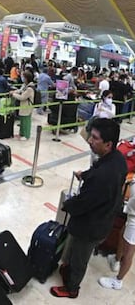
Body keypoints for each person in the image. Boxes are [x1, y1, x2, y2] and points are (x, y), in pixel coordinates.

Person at [50, 118, 127, 298]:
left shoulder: (103, 176)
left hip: (91, 226)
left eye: (94, 138)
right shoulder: (116, 159)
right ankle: (68, 272)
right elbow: (98, 174)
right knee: (75, 251)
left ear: (108, 144)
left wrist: (67, 205)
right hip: (104, 218)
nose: (90, 141)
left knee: (79, 258)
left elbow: (83, 203)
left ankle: (71, 288)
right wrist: (85, 175)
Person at [98, 174, 135, 290]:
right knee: (122, 234)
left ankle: (118, 281)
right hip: (131, 214)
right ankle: (116, 259)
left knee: (129, 250)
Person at [10, 70, 35, 140]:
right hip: (23, 106)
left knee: (26, 121)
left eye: (23, 77)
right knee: (22, 120)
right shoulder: (25, 85)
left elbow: (22, 97)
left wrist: (13, 94)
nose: (22, 78)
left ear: (27, 78)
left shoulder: (30, 88)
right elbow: (20, 90)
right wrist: (14, 91)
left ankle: (26, 135)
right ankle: (22, 133)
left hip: (27, 106)